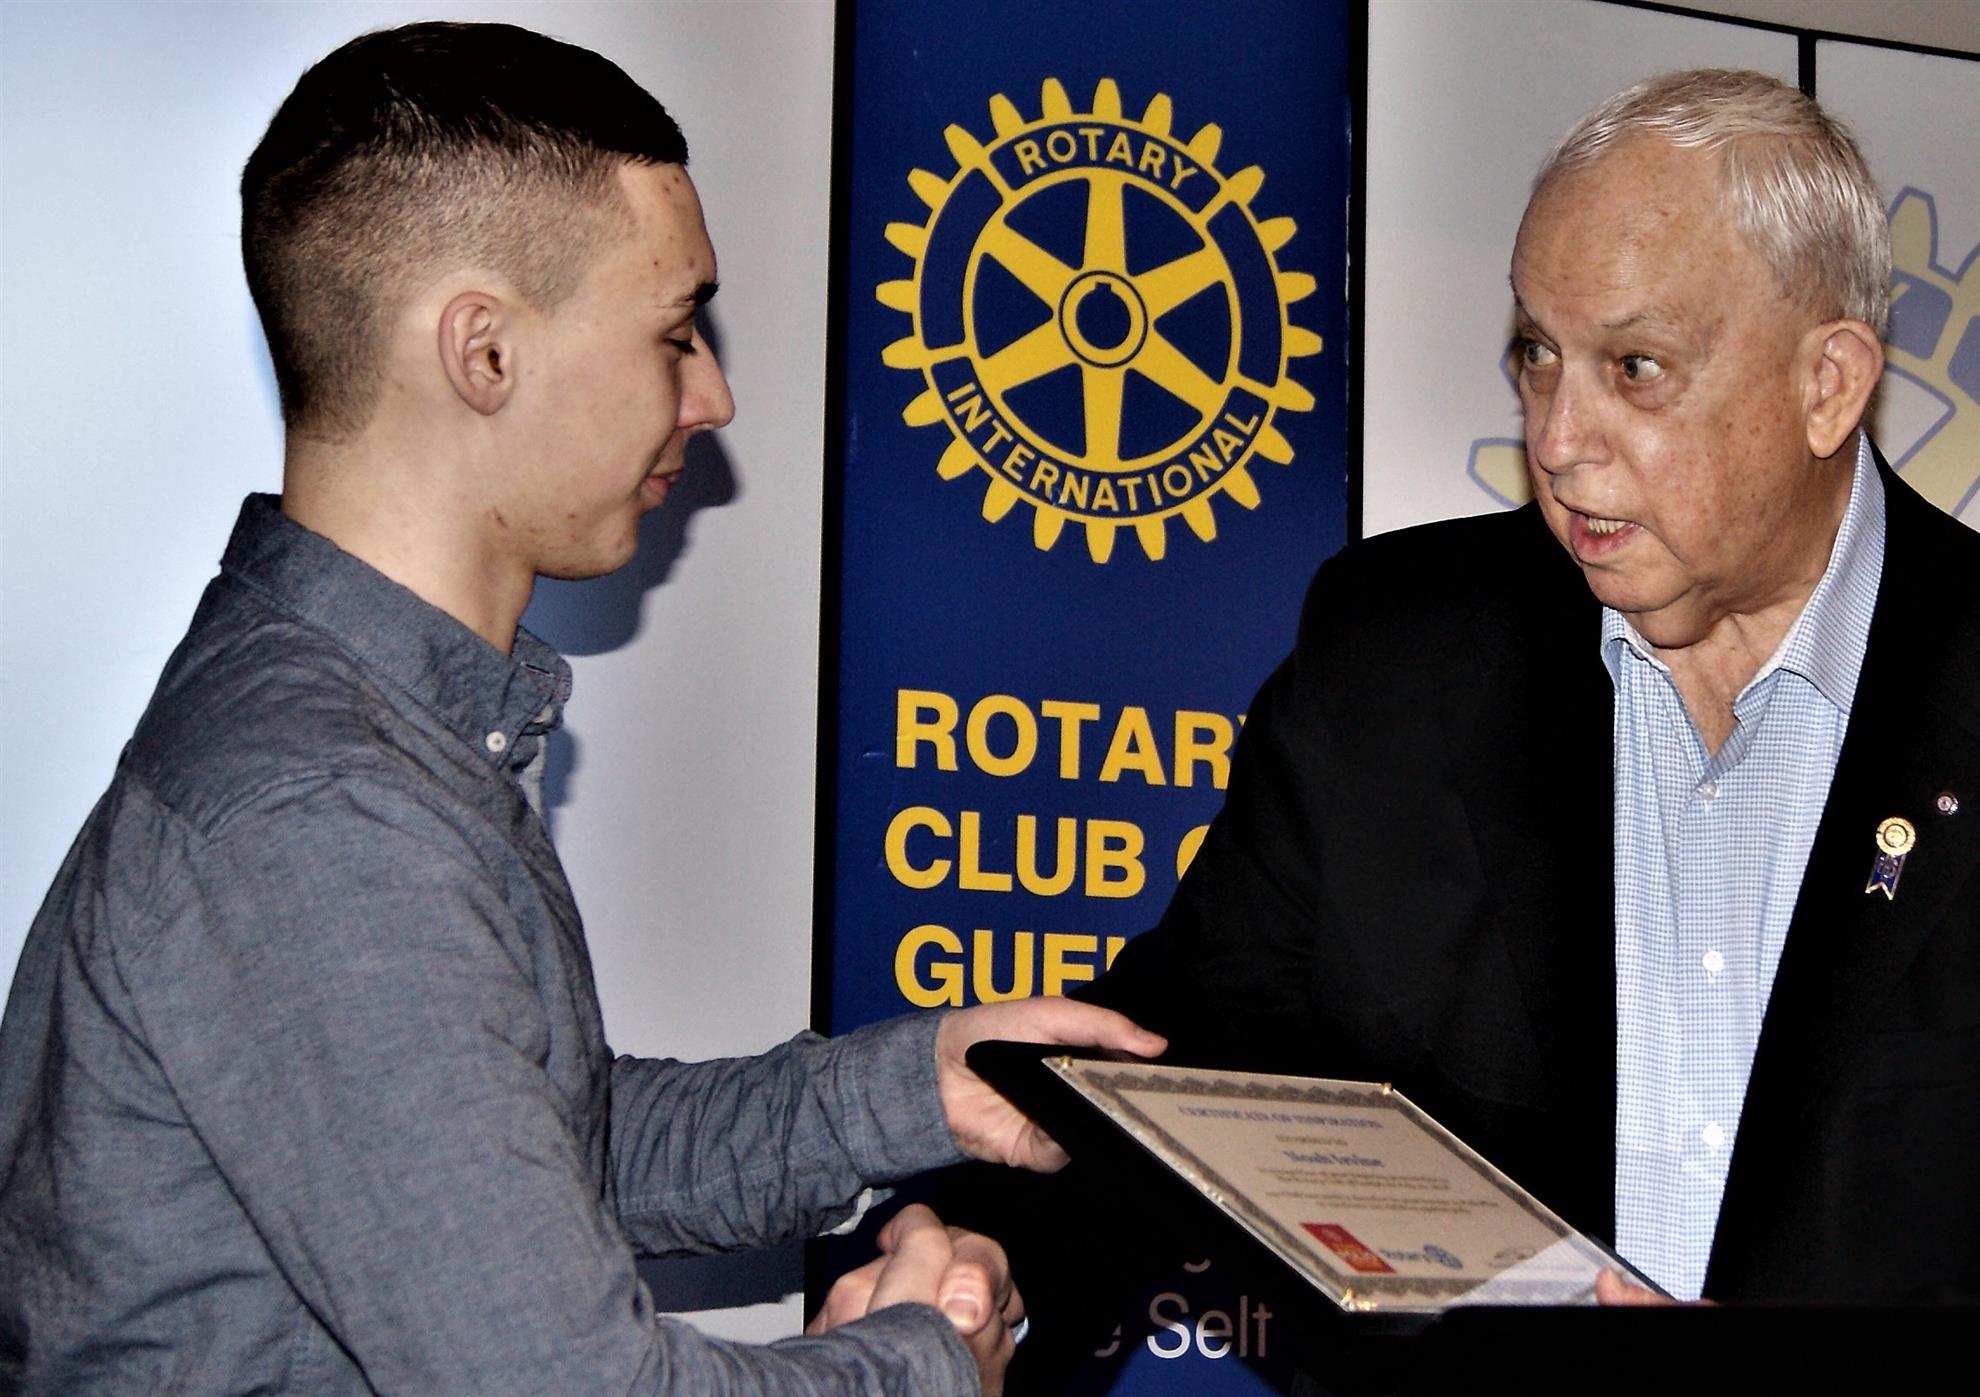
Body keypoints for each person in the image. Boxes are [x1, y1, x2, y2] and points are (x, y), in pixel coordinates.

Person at [0, 21, 1161, 1395]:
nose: (713, 395)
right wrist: (928, 1362)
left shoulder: (360, 742)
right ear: (483, 353)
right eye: (675, 333)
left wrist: (918, 1089)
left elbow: (518, 1159)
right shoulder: (324, 808)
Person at [1082, 68, 1979, 1306]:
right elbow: (1189, 1066)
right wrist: (988, 1253)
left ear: (1826, 384)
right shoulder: (1398, 657)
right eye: (1538, 353)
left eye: (1637, 366)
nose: (1556, 438)